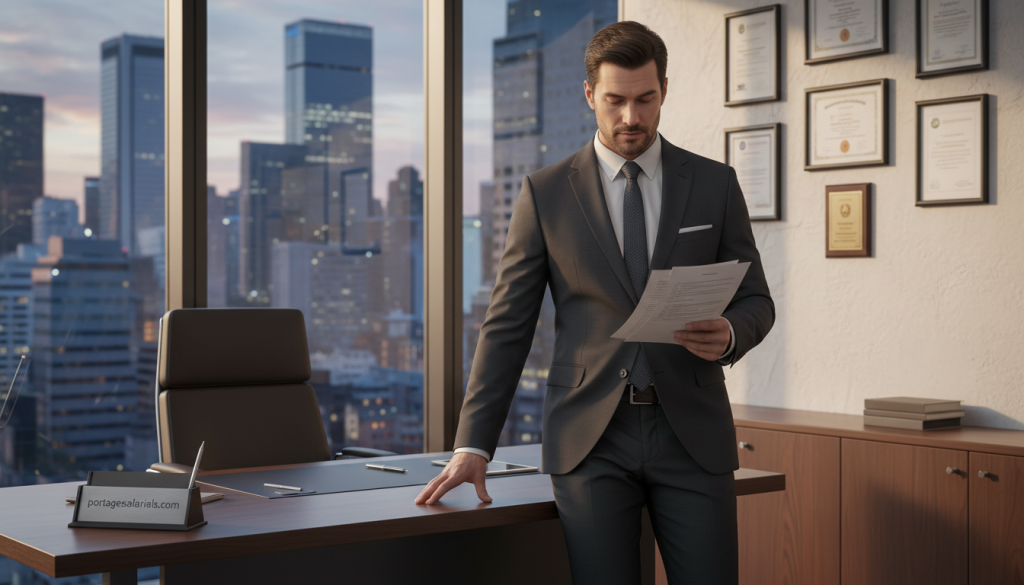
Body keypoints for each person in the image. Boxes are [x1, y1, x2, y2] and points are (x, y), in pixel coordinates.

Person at [416, 20, 774, 585]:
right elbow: (507, 325)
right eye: (615, 100)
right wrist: (472, 444)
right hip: (589, 440)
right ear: (590, 95)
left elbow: (755, 298)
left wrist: (730, 332)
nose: (631, 117)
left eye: (645, 99)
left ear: (663, 92)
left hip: (693, 434)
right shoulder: (546, 192)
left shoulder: (713, 183)